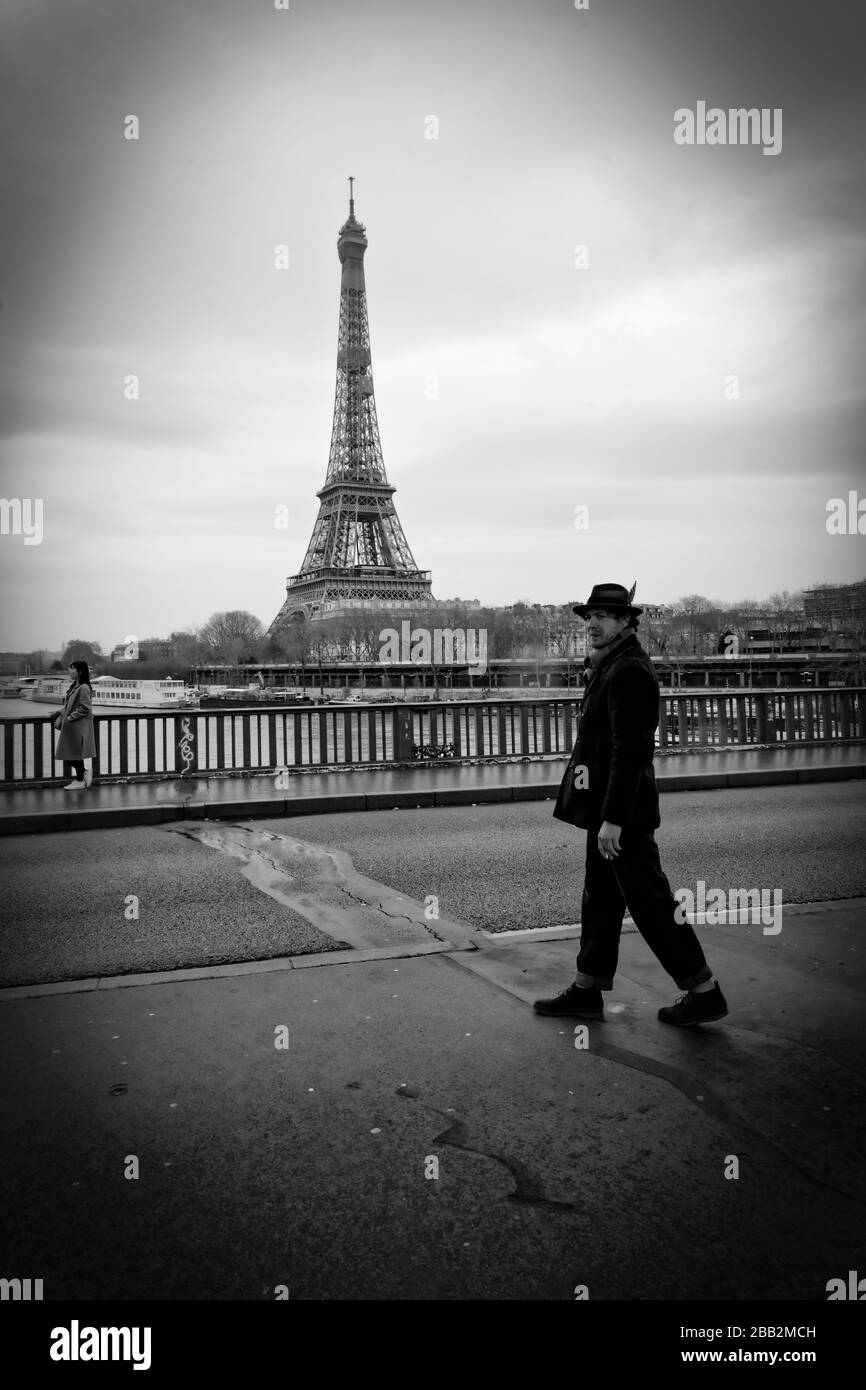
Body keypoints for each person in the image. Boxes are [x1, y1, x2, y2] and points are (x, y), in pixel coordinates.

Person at [534, 582, 728, 1027]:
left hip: (622, 817)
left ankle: (704, 992)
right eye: (589, 617)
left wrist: (614, 820)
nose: (593, 624)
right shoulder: (611, 665)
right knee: (600, 900)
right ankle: (587, 989)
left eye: (603, 616)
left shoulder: (628, 671)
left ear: (625, 621)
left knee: (651, 903)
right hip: (605, 812)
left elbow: (632, 751)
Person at [52, 660, 96, 790]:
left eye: (72, 669)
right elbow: (70, 706)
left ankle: (81, 777)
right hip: (72, 727)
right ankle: (81, 778)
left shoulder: (84, 688)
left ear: (80, 672)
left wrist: (69, 718)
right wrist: (59, 712)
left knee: (70, 754)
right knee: (71, 754)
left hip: (77, 727)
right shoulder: (74, 687)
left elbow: (85, 708)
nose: (69, 671)